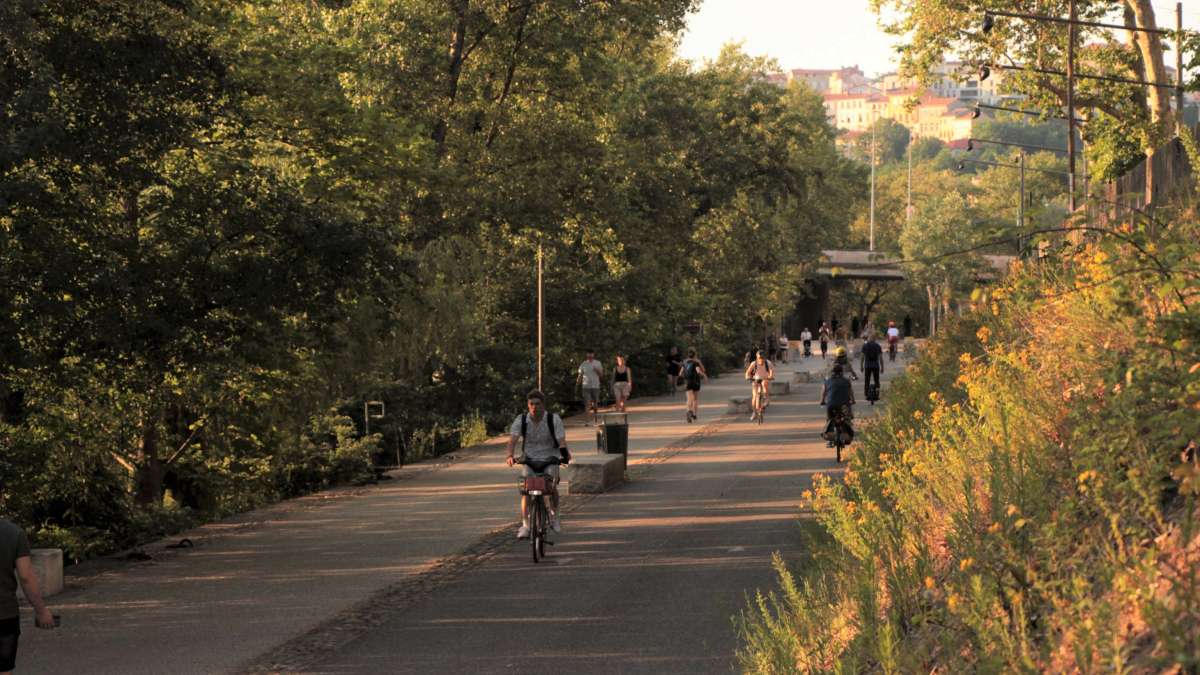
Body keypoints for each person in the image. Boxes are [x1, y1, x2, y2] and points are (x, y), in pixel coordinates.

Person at [1, 477, 56, 675]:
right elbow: (25, 577)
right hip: (4, 614)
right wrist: (41, 610)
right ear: (1, 498)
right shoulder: (14, 534)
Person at [505, 390, 570, 539]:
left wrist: (565, 456)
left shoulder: (553, 419)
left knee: (551, 486)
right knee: (526, 489)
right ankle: (525, 525)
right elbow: (512, 440)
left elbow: (561, 441)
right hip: (530, 459)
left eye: (538, 404)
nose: (534, 407)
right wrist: (509, 455)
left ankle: (555, 516)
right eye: (531, 404)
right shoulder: (521, 420)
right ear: (528, 405)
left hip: (550, 457)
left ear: (543, 405)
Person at [819, 364, 855, 447]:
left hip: (831, 405)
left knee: (829, 420)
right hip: (844, 405)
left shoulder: (827, 381)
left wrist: (822, 401)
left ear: (832, 372)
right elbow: (851, 392)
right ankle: (847, 435)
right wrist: (853, 401)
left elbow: (823, 392)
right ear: (842, 372)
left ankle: (830, 440)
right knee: (847, 419)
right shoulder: (846, 381)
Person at [743, 350, 775, 421]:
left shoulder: (768, 363)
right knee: (754, 396)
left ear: (765, 358)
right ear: (757, 358)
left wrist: (771, 376)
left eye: (762, 358)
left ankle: (766, 399)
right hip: (756, 379)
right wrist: (747, 377)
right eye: (759, 358)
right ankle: (754, 412)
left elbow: (771, 372)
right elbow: (747, 373)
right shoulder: (754, 363)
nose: (761, 360)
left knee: (764, 383)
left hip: (765, 378)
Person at [576, 349, 604, 424]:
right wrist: (577, 382)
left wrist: (597, 370)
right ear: (587, 355)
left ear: (593, 355)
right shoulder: (583, 364)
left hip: (595, 386)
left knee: (595, 404)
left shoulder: (598, 363)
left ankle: (595, 418)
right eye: (588, 355)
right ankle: (587, 421)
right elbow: (580, 375)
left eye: (591, 355)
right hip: (586, 386)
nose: (590, 356)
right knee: (587, 403)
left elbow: (601, 375)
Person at [680, 349, 708, 423]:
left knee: (688, 399)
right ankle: (694, 414)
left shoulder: (684, 362)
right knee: (695, 399)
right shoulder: (696, 362)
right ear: (695, 355)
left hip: (687, 382)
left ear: (688, 355)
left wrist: (685, 378)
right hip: (695, 382)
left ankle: (688, 411)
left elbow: (680, 373)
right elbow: (700, 371)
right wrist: (704, 376)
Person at [859, 333, 884, 402]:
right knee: (877, 381)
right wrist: (882, 367)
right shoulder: (878, 346)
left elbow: (862, 357)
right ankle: (877, 395)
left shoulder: (865, 346)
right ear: (875, 339)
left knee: (867, 381)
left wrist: (861, 366)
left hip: (867, 366)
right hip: (876, 366)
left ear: (868, 339)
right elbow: (880, 358)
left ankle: (866, 395)